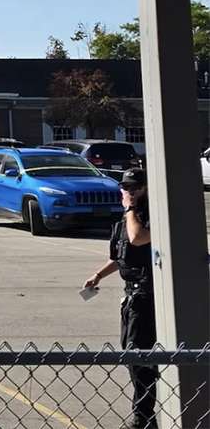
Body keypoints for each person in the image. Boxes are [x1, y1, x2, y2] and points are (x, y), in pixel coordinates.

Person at [84, 168, 156, 429]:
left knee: (139, 356)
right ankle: (144, 415)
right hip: (130, 296)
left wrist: (130, 209)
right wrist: (98, 275)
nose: (131, 192)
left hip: (147, 295)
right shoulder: (122, 222)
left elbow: (138, 238)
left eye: (136, 187)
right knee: (130, 354)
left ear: (146, 189)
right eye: (126, 188)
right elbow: (119, 257)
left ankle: (143, 418)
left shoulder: (149, 217)